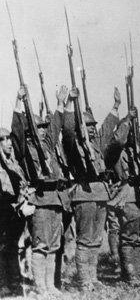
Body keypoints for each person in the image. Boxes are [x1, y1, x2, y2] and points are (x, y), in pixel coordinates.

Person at [12, 86, 72, 295]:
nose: (45, 130)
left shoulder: (47, 146)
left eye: (45, 127)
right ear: (31, 132)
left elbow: (56, 128)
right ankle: (40, 287)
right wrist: (18, 102)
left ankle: (50, 286)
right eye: (40, 127)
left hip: (54, 200)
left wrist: (60, 105)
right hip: (39, 200)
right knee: (40, 245)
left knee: (54, 246)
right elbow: (17, 133)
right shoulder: (25, 150)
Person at [62, 87, 119, 291]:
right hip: (84, 194)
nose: (93, 128)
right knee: (85, 239)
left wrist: (115, 107)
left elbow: (108, 128)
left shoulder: (96, 144)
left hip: (101, 192)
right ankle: (84, 279)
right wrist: (70, 103)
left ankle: (93, 277)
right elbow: (67, 130)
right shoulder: (73, 144)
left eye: (93, 125)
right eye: (88, 126)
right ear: (80, 128)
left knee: (96, 239)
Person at [103, 90, 140, 284]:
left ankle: (138, 271)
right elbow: (118, 139)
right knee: (129, 234)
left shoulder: (135, 150)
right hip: (126, 193)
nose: (133, 134)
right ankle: (129, 273)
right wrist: (126, 119)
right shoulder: (115, 151)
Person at [0, 126, 29, 296]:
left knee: (11, 247)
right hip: (4, 211)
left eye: (9, 139)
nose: (9, 143)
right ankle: (4, 283)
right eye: (3, 140)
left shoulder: (14, 163)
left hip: (14, 212)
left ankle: (13, 283)